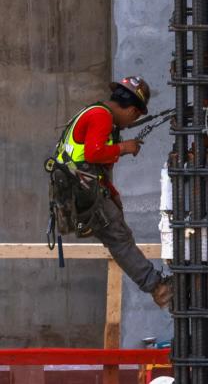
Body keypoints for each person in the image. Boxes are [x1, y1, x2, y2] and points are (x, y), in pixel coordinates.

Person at [50, 76, 173, 308]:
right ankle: (158, 288)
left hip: (81, 190)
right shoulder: (101, 116)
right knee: (118, 238)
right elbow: (94, 153)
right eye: (135, 116)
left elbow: (94, 168)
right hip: (82, 191)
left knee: (119, 236)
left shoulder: (96, 113)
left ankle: (157, 286)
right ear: (131, 109)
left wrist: (113, 194)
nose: (131, 122)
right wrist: (125, 148)